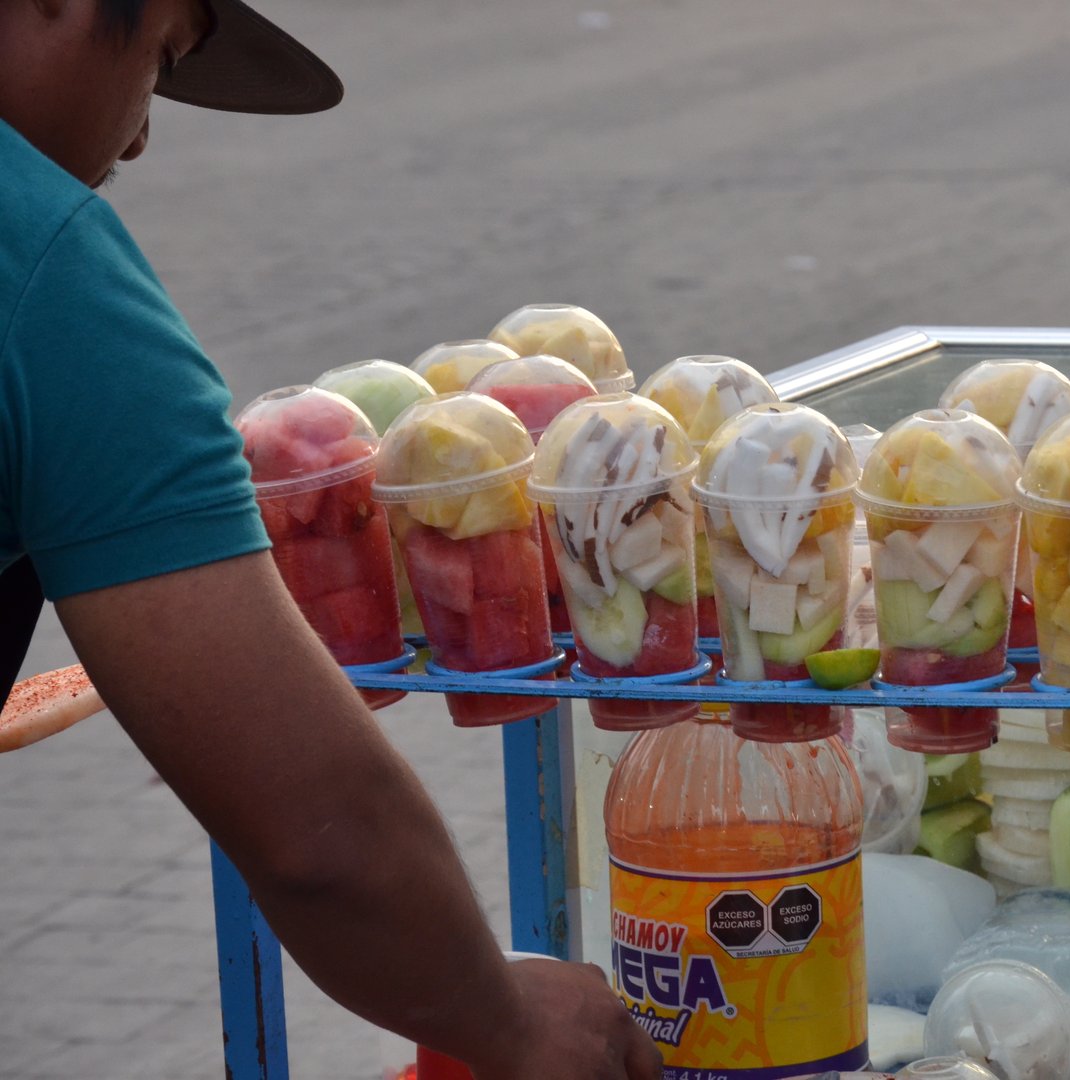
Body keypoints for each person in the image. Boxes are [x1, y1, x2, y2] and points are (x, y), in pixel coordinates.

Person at [0, 2, 662, 1077]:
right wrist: (508, 1019)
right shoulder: (45, 272)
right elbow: (321, 838)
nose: (135, 139)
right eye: (162, 58)